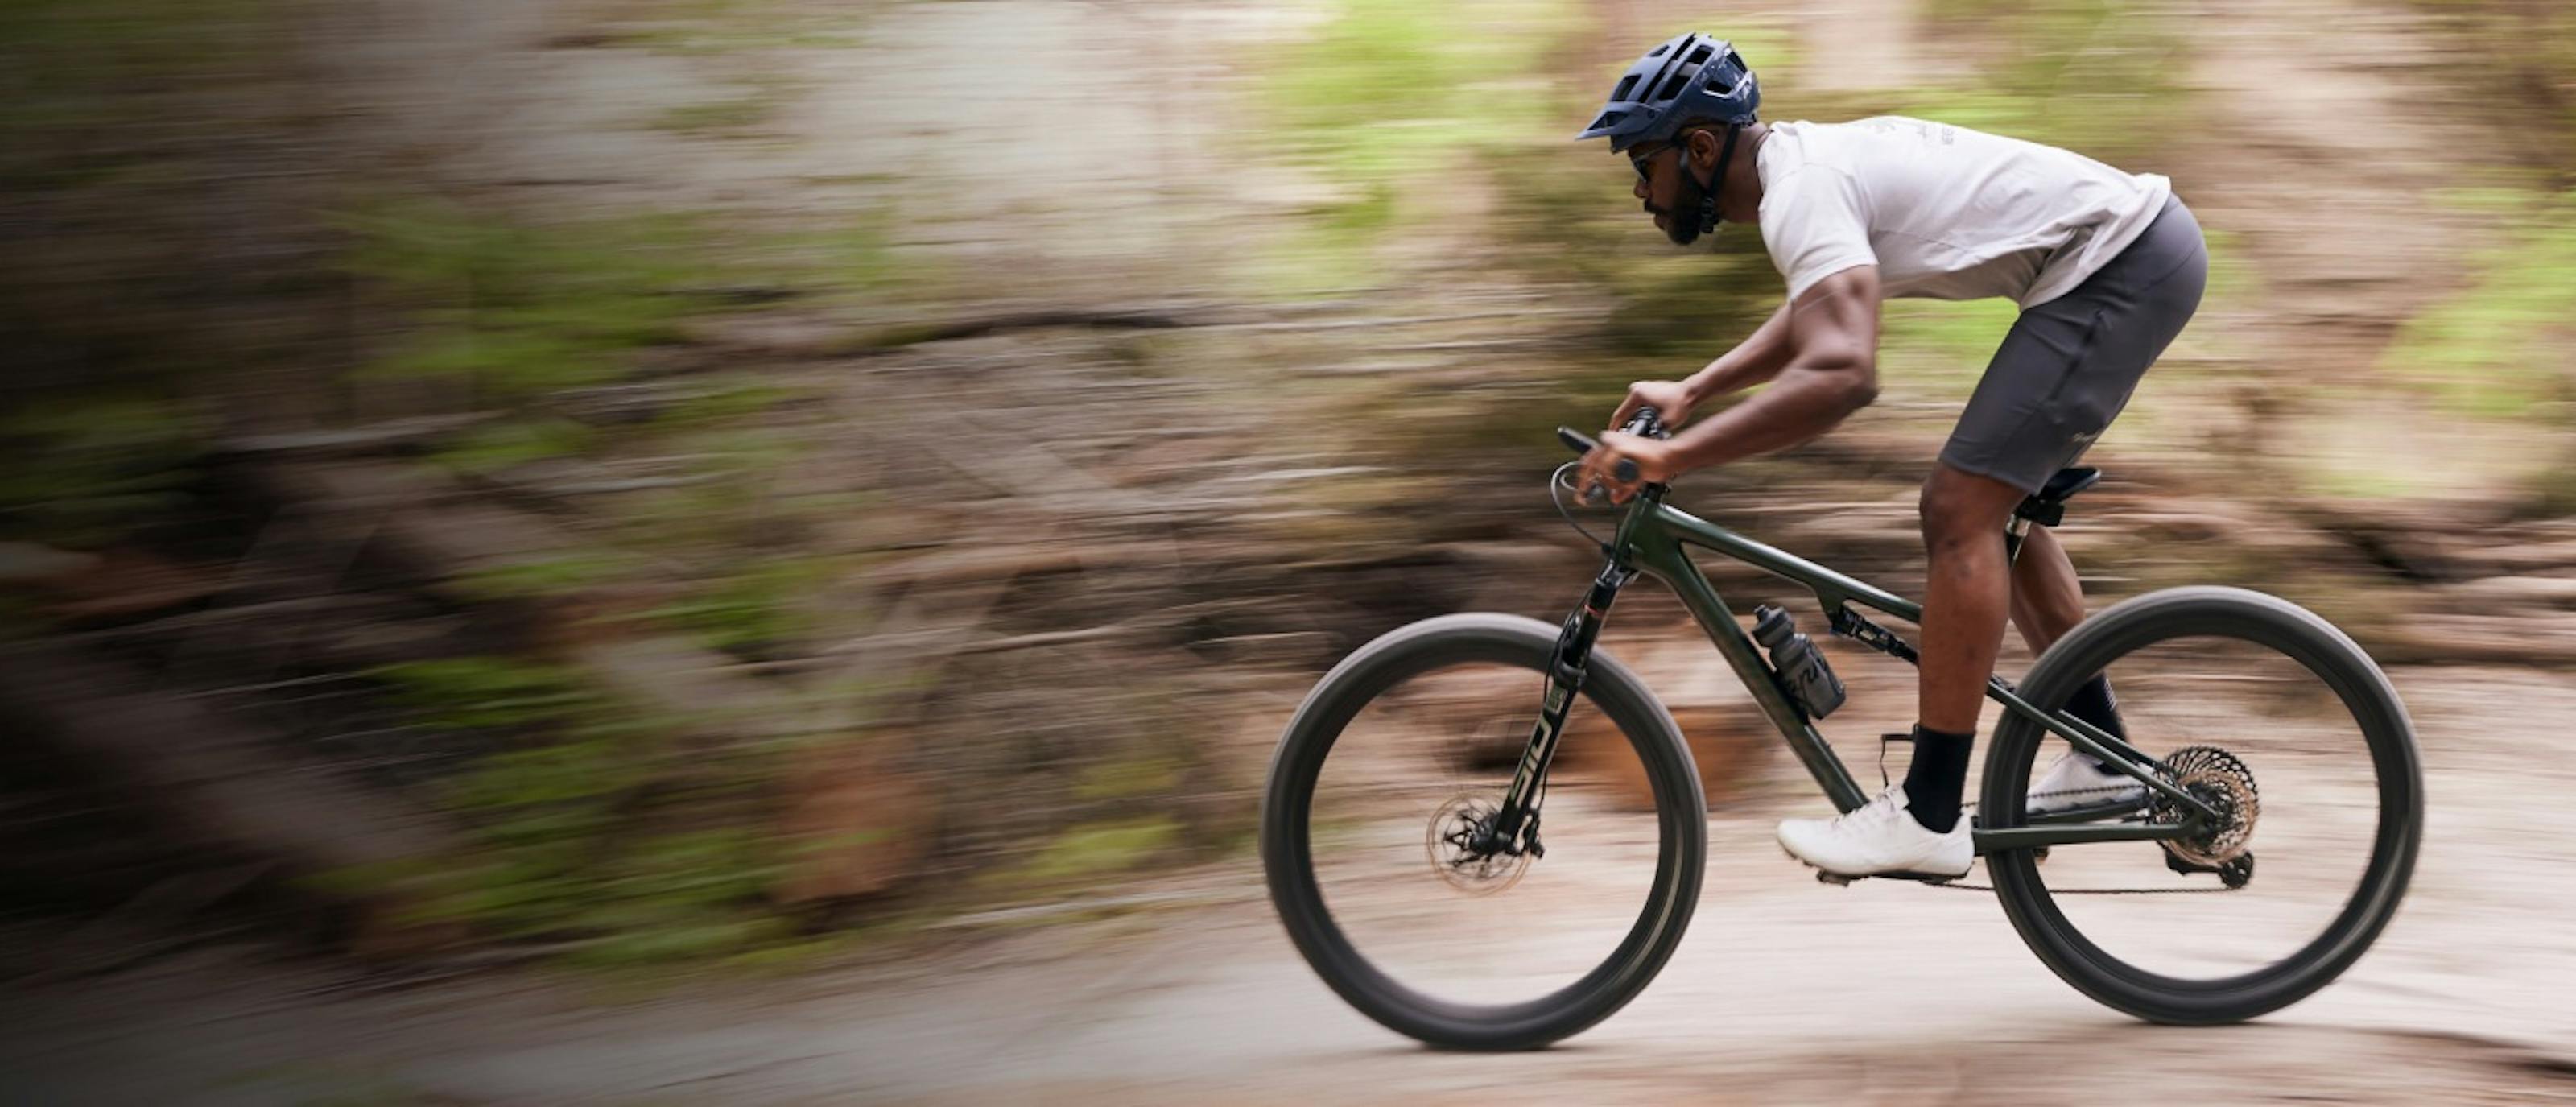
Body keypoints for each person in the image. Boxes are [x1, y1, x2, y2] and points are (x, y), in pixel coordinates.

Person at [1571, 33, 2207, 880]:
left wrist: (1671, 456)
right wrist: (1695, 387)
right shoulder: (1796, 172)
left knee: (1957, 509)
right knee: (1992, 510)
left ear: (1696, 149)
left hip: (2117, 265)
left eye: (1641, 166)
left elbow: (1842, 372)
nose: (1639, 193)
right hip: (2125, 260)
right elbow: (1820, 308)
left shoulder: (1798, 187)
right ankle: (2100, 756)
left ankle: (1929, 812)